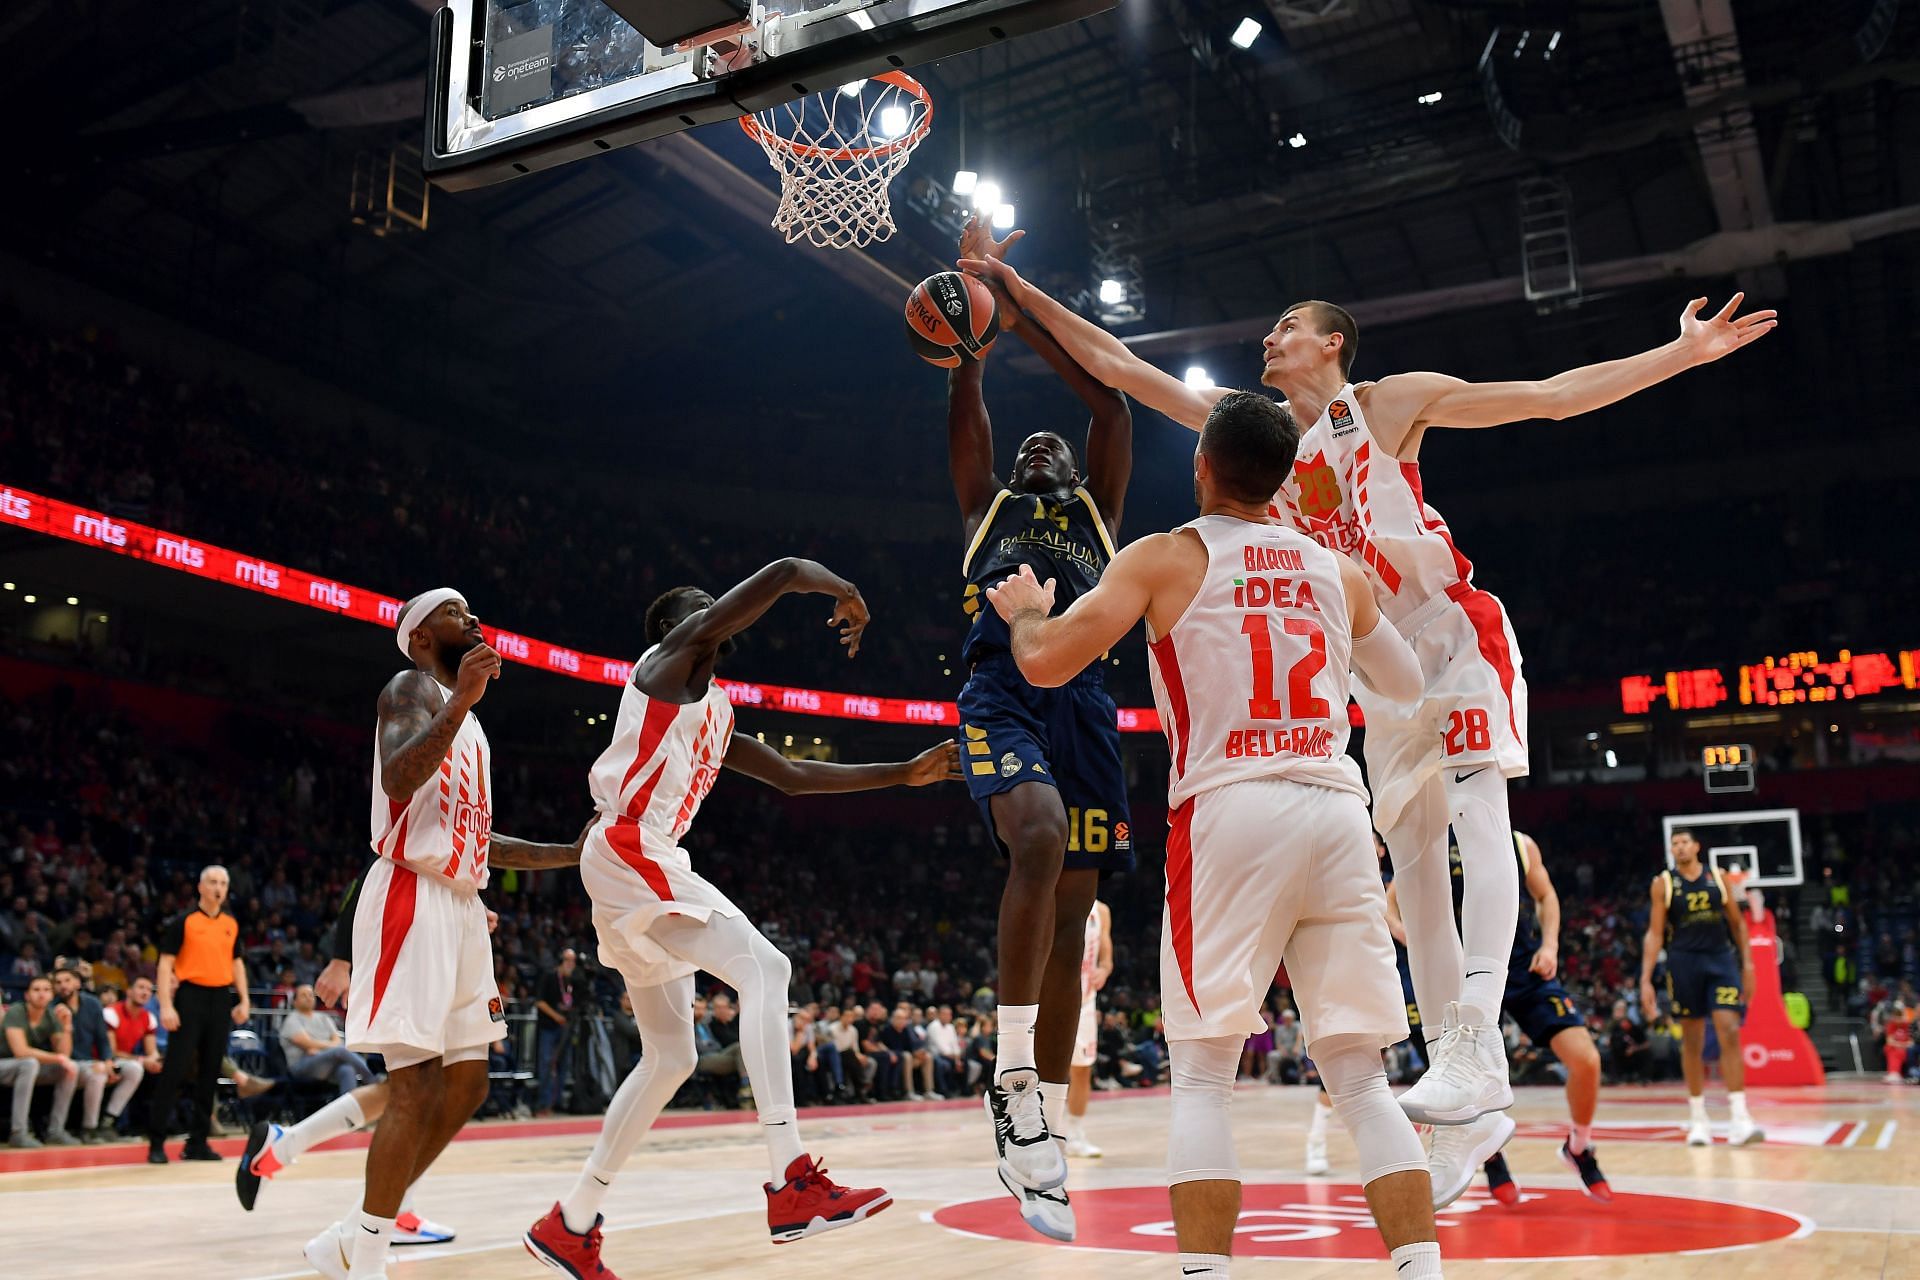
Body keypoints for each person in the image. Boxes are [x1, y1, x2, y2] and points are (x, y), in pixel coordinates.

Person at [958, 232, 1774, 1144]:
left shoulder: (1389, 405)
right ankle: (1461, 1091)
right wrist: (1012, 286)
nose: (1268, 339)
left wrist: (1679, 353)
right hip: (1374, 665)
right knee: (1417, 869)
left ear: (1334, 343)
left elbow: (1548, 400)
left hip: (1449, 630)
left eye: (1287, 326)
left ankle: (1480, 1043)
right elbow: (1117, 362)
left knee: (1478, 815)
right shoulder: (1257, 436)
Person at [986, 391, 1442, 1279]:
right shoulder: (1333, 571)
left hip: (1230, 811)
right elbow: (1406, 684)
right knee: (1361, 1082)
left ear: (1201, 466)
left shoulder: (1167, 557)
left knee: (1201, 1076)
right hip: (1336, 810)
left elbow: (1044, 664)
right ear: (1281, 482)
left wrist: (1026, 613)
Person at [522, 559, 962, 1275]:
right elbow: (785, 570)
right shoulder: (666, 664)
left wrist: (900, 774)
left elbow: (792, 776)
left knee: (672, 1056)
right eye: (700, 606)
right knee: (769, 967)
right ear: (676, 630)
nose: (713, 608)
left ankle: (570, 1222)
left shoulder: (715, 712)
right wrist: (841, 588)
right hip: (633, 844)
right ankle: (791, 1177)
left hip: (636, 856)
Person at [288, 589, 586, 1280]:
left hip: (459, 902)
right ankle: (365, 1260)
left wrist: (568, 852)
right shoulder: (408, 689)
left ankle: (351, 1235)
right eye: (457, 613)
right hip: (407, 893)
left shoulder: (470, 726)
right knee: (413, 1088)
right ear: (421, 636)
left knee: (471, 1083)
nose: (475, 619)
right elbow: (397, 776)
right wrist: (462, 702)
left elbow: (479, 840)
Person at [947, 213, 1136, 1241]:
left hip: (1088, 705)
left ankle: (1042, 1126)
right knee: (1036, 837)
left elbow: (1108, 401)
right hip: (1002, 689)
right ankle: (1013, 1076)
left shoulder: (1101, 505)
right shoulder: (987, 506)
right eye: (1028, 448)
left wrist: (1020, 313)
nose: (1039, 444)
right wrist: (974, 322)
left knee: (1072, 927)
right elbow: (965, 399)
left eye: (1048, 444)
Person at [1388, 831, 1608, 1206]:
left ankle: (1579, 1147)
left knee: (1586, 1060)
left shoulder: (1521, 843)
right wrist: (1406, 933)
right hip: (1462, 971)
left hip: (1522, 967)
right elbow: (1389, 900)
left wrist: (1551, 944)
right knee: (1460, 1079)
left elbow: (1547, 895)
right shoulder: (1432, 837)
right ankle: (1493, 1161)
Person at [1640, 829, 1764, 1147]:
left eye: (1684, 842)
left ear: (1696, 847)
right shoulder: (1663, 883)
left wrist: (1748, 966)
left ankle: (1740, 1117)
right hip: (1683, 963)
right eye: (1674, 844)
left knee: (1729, 1030)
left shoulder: (1718, 877)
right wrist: (1645, 979)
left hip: (1720, 960)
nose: (1679, 847)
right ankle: (1698, 1119)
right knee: (1692, 1042)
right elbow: (1655, 934)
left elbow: (1737, 924)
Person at [147, 864, 248, 1164]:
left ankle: (198, 1142)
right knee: (175, 1070)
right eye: (212, 882)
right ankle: (156, 1141)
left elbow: (237, 963)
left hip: (220, 998)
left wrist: (243, 999)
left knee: (210, 1071)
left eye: (223, 883)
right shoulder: (184, 921)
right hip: (190, 996)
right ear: (200, 887)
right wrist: (166, 1004)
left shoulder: (231, 923)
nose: (218, 887)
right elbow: (165, 964)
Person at [51, 965, 139, 1144]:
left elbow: (102, 1038)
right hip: (68, 1061)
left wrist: (107, 1060)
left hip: (91, 1061)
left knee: (134, 1069)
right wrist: (96, 1065)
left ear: (77, 983)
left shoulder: (92, 1003)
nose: (63, 986)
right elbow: (56, 1047)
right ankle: (89, 1129)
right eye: (58, 983)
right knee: (97, 1075)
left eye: (67, 981)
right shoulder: (52, 1007)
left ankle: (108, 1121)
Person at [1, 974, 78, 1147]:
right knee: (29, 1063)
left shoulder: (51, 1015)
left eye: (46, 990)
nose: (41, 994)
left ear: (52, 995)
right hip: (5, 1064)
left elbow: (64, 1053)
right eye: (36, 990)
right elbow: (20, 1051)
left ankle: (56, 1131)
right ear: (27, 995)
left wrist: (66, 1026)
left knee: (69, 1068)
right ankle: (18, 1133)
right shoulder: (16, 1011)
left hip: (24, 1068)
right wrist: (58, 1057)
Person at [1064, 899, 1112, 1158]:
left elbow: (1106, 959)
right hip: (1052, 997)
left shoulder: (1101, 910)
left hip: (1085, 999)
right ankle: (1042, 1133)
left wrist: (1103, 971)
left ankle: (1075, 1134)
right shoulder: (1053, 894)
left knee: (1082, 1069)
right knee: (1042, 1068)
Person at [278, 983, 375, 1098]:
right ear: (295, 1002)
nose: (308, 998)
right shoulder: (292, 1019)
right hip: (302, 1065)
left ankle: (348, 1112)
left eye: (310, 995)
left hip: (327, 1063)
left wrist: (321, 1050)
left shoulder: (324, 1017)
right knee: (340, 1051)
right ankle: (372, 1079)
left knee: (347, 1069)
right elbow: (307, 1043)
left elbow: (337, 1040)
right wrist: (329, 1048)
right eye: (304, 995)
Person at [535, 948, 581, 1114]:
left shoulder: (572, 981)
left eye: (573, 960)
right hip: (549, 1028)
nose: (571, 963)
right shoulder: (549, 976)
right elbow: (539, 1002)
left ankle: (557, 1102)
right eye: (568, 960)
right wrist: (556, 1016)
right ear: (560, 960)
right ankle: (543, 1104)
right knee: (546, 1064)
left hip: (566, 1028)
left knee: (564, 1066)